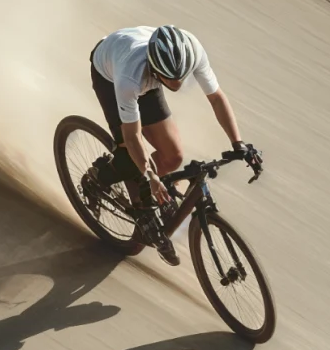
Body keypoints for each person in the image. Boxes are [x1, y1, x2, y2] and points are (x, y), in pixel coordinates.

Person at [89, 24, 259, 263]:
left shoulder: (192, 50)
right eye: (171, 79)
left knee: (173, 156)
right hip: (110, 75)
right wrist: (150, 176)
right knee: (131, 155)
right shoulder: (129, 78)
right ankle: (98, 178)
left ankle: (146, 194)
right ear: (156, 70)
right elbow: (133, 137)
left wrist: (238, 143)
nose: (178, 83)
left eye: (181, 76)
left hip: (147, 76)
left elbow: (217, 98)